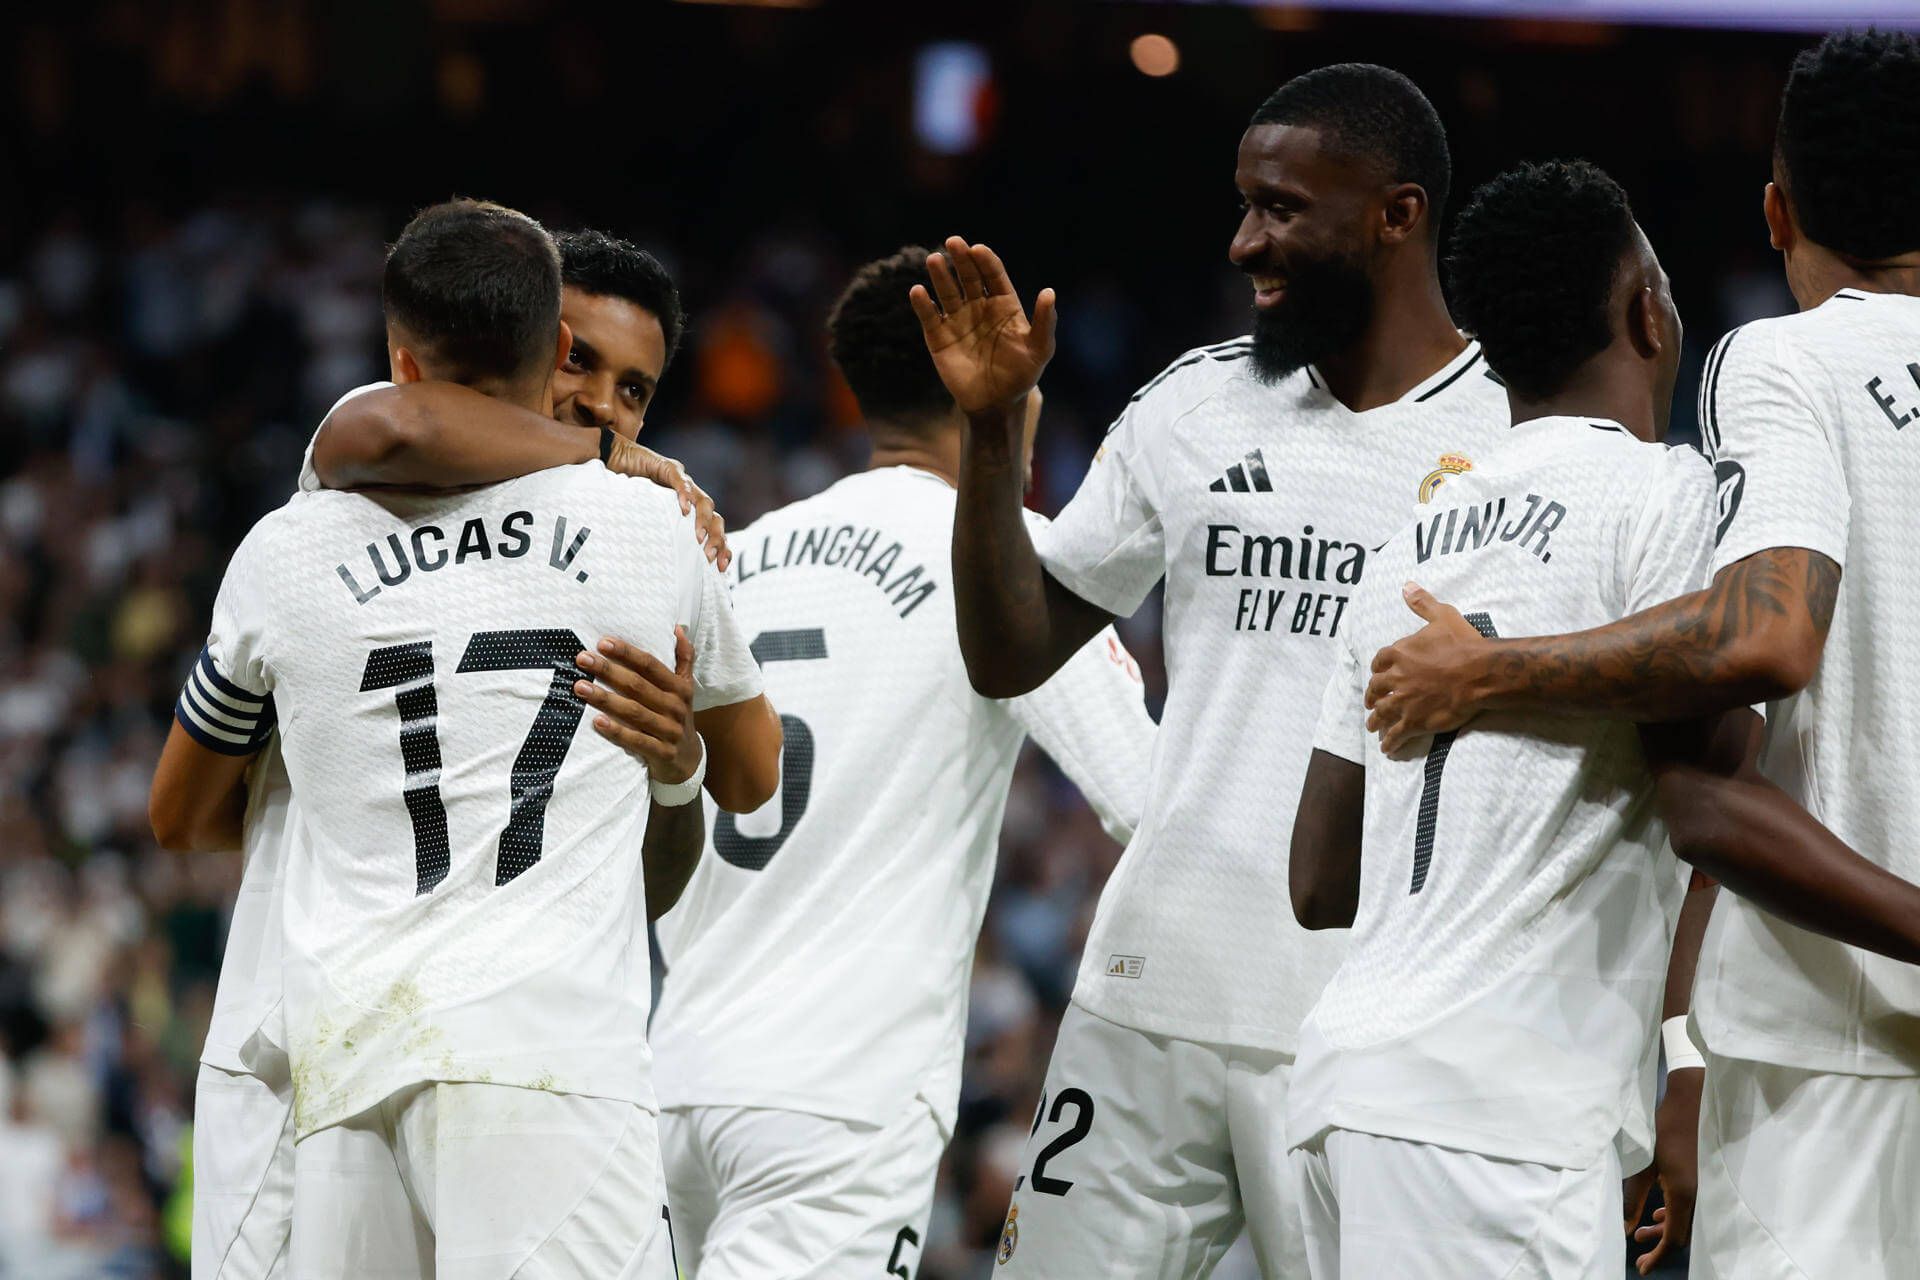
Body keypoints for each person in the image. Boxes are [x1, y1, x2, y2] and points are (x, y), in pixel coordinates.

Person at [919, 64, 1510, 1276]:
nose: (1247, 241)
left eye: (1284, 208)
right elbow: (1008, 650)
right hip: (1149, 991)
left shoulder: (1515, 434)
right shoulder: (1193, 407)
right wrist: (990, 436)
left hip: (1368, 1019)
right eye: (1245, 204)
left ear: (1399, 214)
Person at [1360, 31, 1920, 1278]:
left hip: (1832, 1044)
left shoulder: (1780, 360)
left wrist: (1491, 668)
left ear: (1777, 210)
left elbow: (1765, 640)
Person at [150, 199, 780, 1278]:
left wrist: (677, 768)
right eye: (582, 362)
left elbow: (179, 815)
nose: (603, 404)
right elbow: (392, 426)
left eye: (634, 391)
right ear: (541, 347)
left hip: (348, 1041)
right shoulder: (643, 527)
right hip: (482, 1054)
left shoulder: (295, 544)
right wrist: (619, 461)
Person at [644, 248, 1155, 1280]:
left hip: (674, 1074)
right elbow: (1151, 800)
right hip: (842, 1091)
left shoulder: (731, 552)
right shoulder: (1012, 559)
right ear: (1018, 388)